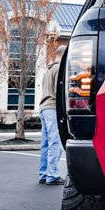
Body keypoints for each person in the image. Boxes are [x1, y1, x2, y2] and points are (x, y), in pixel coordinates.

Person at [38, 45, 66, 185]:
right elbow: (59, 92)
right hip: (52, 108)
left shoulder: (47, 70)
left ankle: (43, 174)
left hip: (43, 108)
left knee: (46, 143)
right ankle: (52, 175)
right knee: (55, 142)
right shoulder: (58, 69)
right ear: (63, 55)